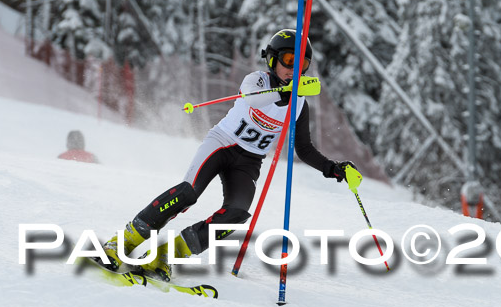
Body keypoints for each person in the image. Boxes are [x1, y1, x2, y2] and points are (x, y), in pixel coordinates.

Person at [99, 29, 357, 281]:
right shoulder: (256, 80)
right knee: (188, 193)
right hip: (222, 143)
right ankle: (120, 244)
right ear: (272, 59)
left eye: (302, 62)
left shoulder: (300, 104)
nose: (294, 68)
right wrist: (284, 93)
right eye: (289, 60)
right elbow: (255, 100)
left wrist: (334, 169)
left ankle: (166, 255)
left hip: (249, 161)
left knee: (236, 213)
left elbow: (304, 149)